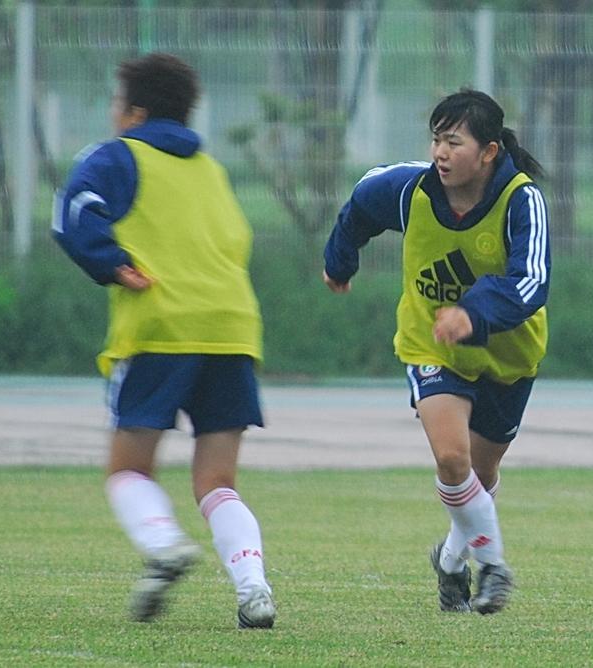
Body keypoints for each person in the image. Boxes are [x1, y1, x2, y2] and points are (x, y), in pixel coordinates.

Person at [52, 53, 275, 629]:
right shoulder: (210, 169)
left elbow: (73, 212)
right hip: (230, 328)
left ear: (134, 111)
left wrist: (112, 263)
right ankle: (253, 587)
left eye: (115, 103)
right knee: (218, 482)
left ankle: (163, 547)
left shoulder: (117, 154)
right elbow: (237, 241)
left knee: (128, 471)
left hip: (161, 325)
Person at [323, 89, 550, 614]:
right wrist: (340, 261)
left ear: (489, 151)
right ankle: (493, 568)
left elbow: (532, 280)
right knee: (453, 458)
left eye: (454, 141)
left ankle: (451, 561)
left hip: (508, 355)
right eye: (436, 140)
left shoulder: (521, 199)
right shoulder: (411, 189)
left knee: (482, 478)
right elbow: (360, 202)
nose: (440, 153)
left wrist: (473, 313)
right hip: (431, 343)